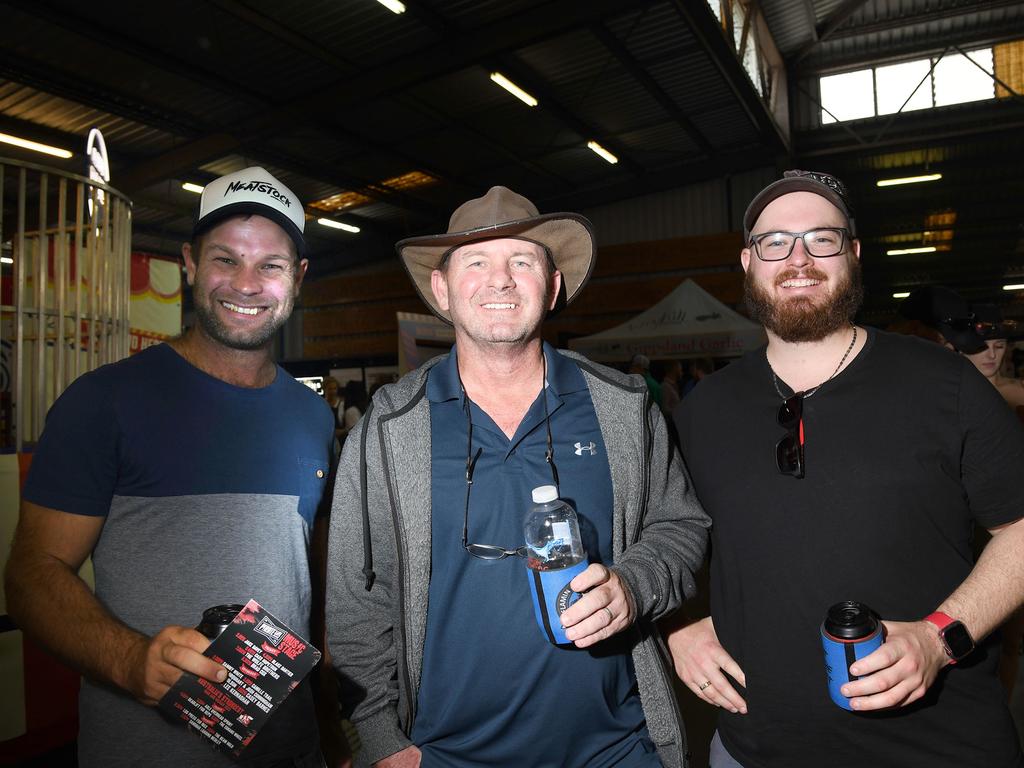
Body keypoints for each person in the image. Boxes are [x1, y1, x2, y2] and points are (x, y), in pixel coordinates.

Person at [325, 186, 710, 768]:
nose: (500, 280)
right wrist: (379, 734)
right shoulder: (390, 426)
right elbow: (356, 591)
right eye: (476, 262)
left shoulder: (623, 407)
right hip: (444, 755)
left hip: (615, 750)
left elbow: (681, 526)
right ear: (442, 289)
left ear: (552, 286)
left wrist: (633, 587)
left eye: (522, 261)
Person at [668, 170, 1024, 767]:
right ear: (748, 262)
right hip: (754, 749)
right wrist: (677, 624)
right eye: (774, 242)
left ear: (853, 254)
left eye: (821, 239)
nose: (798, 258)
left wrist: (942, 637)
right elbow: (662, 533)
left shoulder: (945, 384)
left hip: (940, 747)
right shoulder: (704, 408)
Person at [5, 167, 342, 767]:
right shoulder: (104, 402)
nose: (245, 284)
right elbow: (33, 574)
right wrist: (130, 661)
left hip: (291, 752)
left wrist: (327, 724)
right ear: (189, 264)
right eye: (224, 259)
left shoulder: (312, 416)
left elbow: (307, 582)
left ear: (298, 278)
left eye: (270, 264)